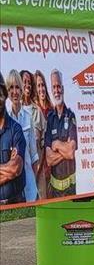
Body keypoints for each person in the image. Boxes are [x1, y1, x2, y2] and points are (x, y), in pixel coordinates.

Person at [6, 70, 39, 202]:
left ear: (21, 90)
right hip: (12, 189)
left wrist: (33, 181)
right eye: (11, 87)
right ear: (7, 91)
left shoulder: (28, 117)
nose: (15, 92)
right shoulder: (4, 121)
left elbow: (34, 156)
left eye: (17, 87)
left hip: (30, 188)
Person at [44, 69, 78, 199]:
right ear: (51, 91)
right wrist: (65, 148)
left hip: (71, 189)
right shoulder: (50, 118)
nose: (56, 90)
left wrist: (56, 143)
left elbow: (70, 152)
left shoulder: (70, 116)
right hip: (55, 191)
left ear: (62, 88)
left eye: (58, 86)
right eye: (54, 87)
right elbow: (49, 159)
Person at [0, 73, 27, 206]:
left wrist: (12, 170)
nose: (14, 91)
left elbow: (16, 168)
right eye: (11, 87)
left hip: (17, 200)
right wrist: (8, 170)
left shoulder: (15, 128)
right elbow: (11, 170)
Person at [20, 70, 47, 198]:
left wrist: (39, 166)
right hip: (22, 171)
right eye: (24, 82)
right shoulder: (13, 110)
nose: (27, 85)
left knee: (42, 200)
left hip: (39, 168)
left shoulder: (37, 110)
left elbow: (44, 141)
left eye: (29, 83)